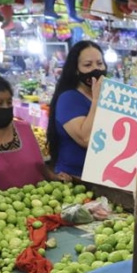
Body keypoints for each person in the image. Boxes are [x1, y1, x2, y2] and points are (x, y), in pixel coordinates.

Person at [47, 41, 106, 179]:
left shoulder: (110, 96)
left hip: (103, 177)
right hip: (76, 179)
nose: (95, 69)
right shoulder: (68, 99)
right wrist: (97, 100)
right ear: (76, 69)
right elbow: (86, 139)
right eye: (87, 65)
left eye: (99, 63)